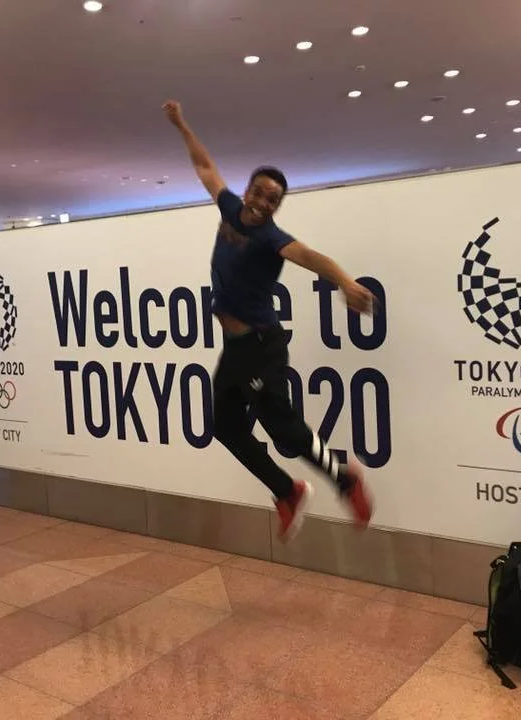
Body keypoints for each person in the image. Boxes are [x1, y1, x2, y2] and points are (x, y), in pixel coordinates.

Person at [163, 99, 375, 541]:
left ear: (277, 207)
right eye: (258, 193)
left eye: (272, 200)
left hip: (262, 347)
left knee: (284, 429)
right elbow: (205, 167)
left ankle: (345, 480)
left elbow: (312, 257)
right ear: (247, 190)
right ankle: (287, 491)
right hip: (238, 350)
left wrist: (344, 281)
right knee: (224, 427)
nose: (262, 203)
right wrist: (182, 123)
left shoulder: (269, 238)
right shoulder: (228, 208)